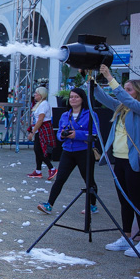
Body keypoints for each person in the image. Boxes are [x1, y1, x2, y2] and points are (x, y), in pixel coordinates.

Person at [95, 64, 140, 258]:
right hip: (118, 160)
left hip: (134, 161)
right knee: (124, 201)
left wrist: (111, 78)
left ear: (138, 92)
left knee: (136, 200)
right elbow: (103, 98)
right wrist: (92, 83)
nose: (125, 92)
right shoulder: (121, 108)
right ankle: (126, 237)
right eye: (125, 88)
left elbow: (127, 100)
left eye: (129, 89)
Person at [37, 88, 99, 216]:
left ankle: (93, 205)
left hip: (84, 151)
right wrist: (63, 136)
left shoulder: (91, 114)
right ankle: (49, 205)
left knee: (88, 179)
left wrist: (77, 134)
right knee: (60, 179)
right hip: (67, 151)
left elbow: (94, 134)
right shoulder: (65, 115)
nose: (73, 99)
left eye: (76, 97)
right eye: (71, 97)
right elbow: (59, 133)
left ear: (82, 99)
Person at [27, 87, 57, 180]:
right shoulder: (40, 104)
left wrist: (32, 132)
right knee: (38, 150)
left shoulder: (44, 104)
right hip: (39, 129)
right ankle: (38, 171)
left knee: (39, 150)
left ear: (41, 95)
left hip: (42, 129)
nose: (35, 95)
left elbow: (40, 120)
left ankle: (52, 168)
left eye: (37, 93)